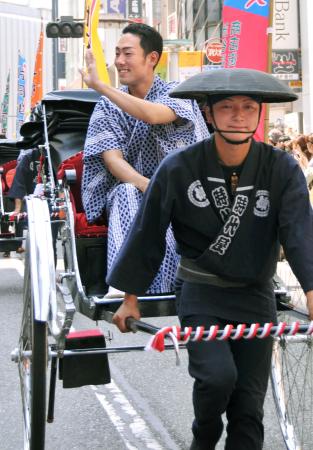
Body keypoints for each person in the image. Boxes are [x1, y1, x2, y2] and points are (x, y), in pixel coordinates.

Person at [106, 68, 313, 449]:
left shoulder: (281, 168)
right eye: (228, 107)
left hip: (255, 294)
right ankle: (204, 435)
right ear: (208, 113)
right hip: (202, 293)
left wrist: (312, 291)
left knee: (249, 406)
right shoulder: (179, 167)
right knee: (217, 378)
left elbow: (299, 232)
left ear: (259, 114)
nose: (239, 115)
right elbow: (148, 232)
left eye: (249, 107)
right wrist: (130, 296)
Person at [81, 23, 209, 297]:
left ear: (152, 58)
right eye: (116, 53)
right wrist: (145, 185)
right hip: (132, 191)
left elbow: (152, 115)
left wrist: (103, 87)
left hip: (180, 189)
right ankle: (123, 283)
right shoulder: (106, 107)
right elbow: (112, 159)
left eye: (127, 53)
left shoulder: (177, 92)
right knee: (127, 193)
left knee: (177, 204)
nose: (119, 61)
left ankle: (178, 284)